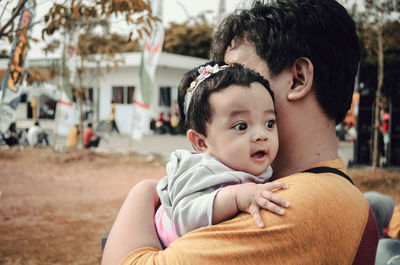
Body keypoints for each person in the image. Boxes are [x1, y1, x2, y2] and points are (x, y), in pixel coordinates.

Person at [102, 0, 379, 264]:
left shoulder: (288, 205)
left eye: (242, 75)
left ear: (298, 79)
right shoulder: (316, 188)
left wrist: (147, 191)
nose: (227, 89)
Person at [154, 63, 289, 248]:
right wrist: (236, 197)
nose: (261, 135)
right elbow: (184, 218)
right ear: (201, 142)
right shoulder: (202, 169)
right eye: (241, 126)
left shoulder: (251, 166)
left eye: (269, 123)